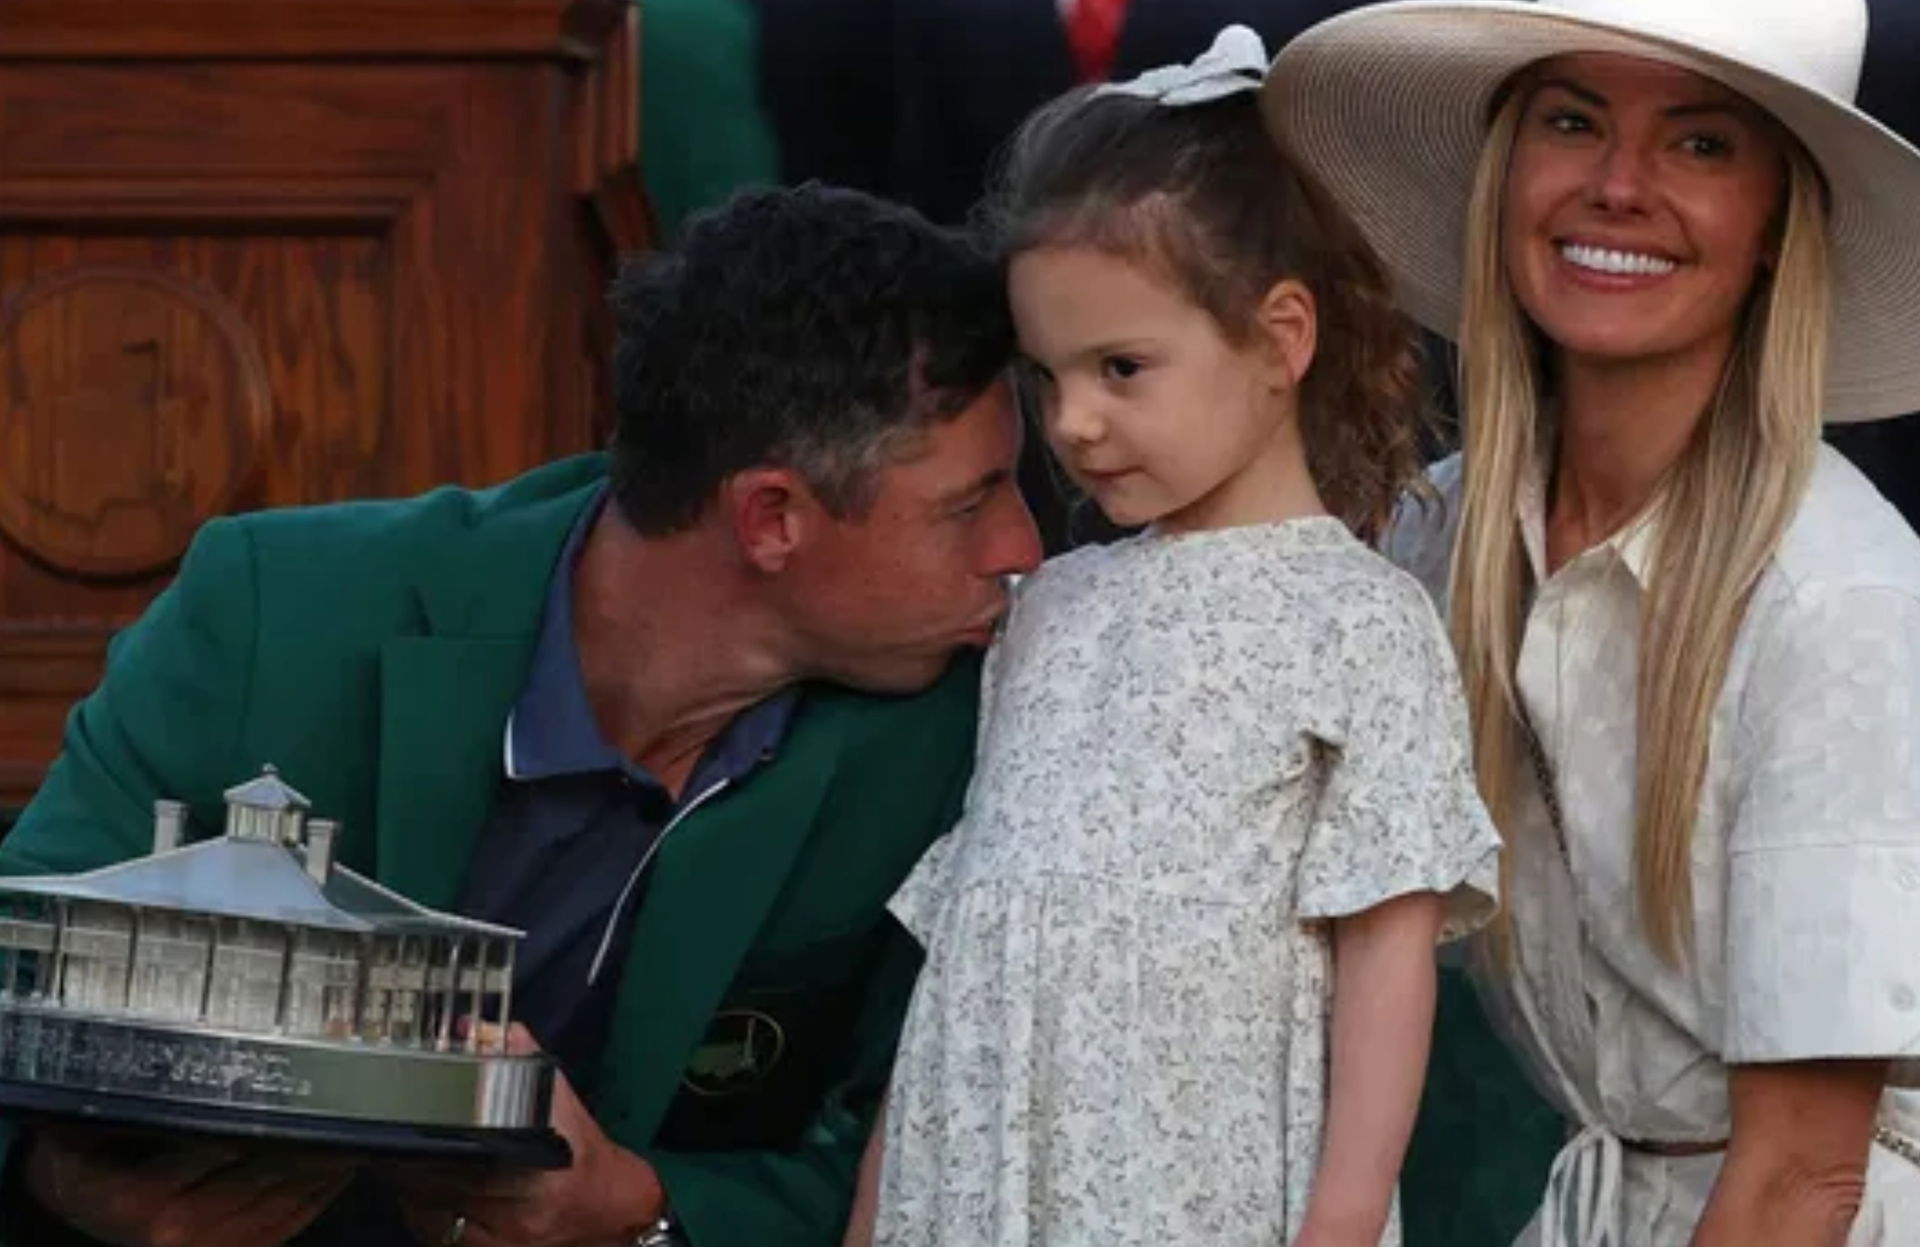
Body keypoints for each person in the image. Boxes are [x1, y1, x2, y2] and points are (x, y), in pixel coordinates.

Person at [0, 183, 1043, 1247]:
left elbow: (949, 1162)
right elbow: (15, 961)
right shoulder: (268, 609)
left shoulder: (963, 729)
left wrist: (645, 1206)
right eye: (973, 502)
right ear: (771, 517)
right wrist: (59, 1179)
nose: (1022, 550)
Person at [1266, 0, 1920, 1242]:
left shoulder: (1844, 602)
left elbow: (1802, 1175)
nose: (1620, 186)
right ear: (1506, 170)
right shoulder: (1435, 537)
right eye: (1573, 121)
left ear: (1779, 223)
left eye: (1701, 144)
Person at [845, 27, 1502, 1246]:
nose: (1075, 422)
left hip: (1197, 1186)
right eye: (1048, 376)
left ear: (1281, 338)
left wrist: (1345, 1221)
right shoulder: (1045, 605)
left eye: (1122, 366)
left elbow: (1386, 958)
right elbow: (976, 958)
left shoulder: (1359, 617)